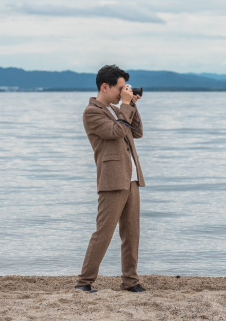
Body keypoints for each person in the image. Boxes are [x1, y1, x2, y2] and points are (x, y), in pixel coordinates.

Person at [75, 64, 146, 293]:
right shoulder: (92, 112)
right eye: (119, 88)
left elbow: (136, 131)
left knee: (131, 233)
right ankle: (84, 281)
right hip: (112, 179)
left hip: (131, 177)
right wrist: (125, 105)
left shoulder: (118, 110)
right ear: (105, 87)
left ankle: (130, 281)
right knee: (104, 232)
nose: (122, 92)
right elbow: (115, 132)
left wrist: (131, 104)